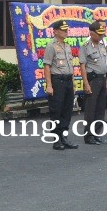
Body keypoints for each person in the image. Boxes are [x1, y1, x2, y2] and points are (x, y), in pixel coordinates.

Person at [41, 20, 79, 150]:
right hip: (57, 81)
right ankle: (57, 140)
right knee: (56, 110)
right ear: (55, 31)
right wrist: (49, 85)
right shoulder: (51, 46)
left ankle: (64, 137)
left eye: (66, 30)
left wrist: (73, 83)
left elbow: (71, 66)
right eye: (63, 30)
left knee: (67, 111)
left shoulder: (67, 46)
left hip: (68, 81)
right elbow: (47, 66)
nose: (66, 32)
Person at [80, 20, 107, 145]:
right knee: (90, 109)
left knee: (100, 109)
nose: (101, 36)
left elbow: (104, 65)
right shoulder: (85, 46)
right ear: (91, 33)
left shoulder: (101, 45)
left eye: (102, 33)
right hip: (92, 80)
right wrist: (86, 83)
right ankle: (88, 135)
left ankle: (97, 134)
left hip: (102, 79)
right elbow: (82, 66)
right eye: (98, 34)